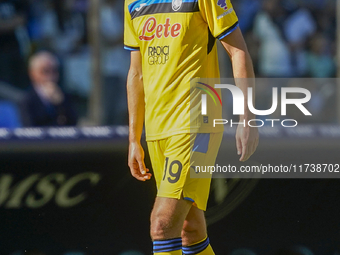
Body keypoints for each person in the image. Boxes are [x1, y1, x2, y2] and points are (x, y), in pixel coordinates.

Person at [124, 0, 259, 254]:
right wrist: (134, 138)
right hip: (157, 129)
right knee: (190, 228)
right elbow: (136, 72)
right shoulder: (132, 2)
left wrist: (247, 117)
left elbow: (238, 51)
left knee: (162, 225)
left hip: (196, 122)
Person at [20, 51, 78, 127]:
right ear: (33, 73)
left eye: (54, 71)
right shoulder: (27, 100)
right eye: (45, 71)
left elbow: (73, 124)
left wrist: (59, 104)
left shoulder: (65, 97)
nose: (51, 76)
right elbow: (29, 128)